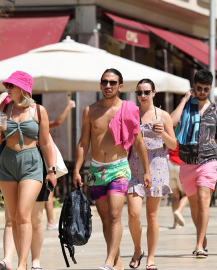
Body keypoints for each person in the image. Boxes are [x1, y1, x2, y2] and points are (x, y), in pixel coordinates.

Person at [73, 68, 152, 270]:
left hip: (119, 168)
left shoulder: (129, 109)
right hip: (97, 170)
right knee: (106, 220)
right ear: (101, 85)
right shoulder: (90, 110)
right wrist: (76, 169)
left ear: (120, 86)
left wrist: (147, 170)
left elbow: (139, 142)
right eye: (105, 82)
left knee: (116, 215)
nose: (108, 86)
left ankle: (107, 262)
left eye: (112, 83)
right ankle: (117, 264)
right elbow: (83, 143)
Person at [0, 91, 59, 270]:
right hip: (8, 162)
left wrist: (51, 170)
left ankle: (23, 264)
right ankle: (18, 262)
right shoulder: (4, 110)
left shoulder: (39, 111)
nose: (8, 88)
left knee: (23, 215)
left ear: (23, 88)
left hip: (32, 162)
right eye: (7, 85)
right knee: (13, 218)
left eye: (12, 85)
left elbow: (46, 142)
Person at [170, 69, 217, 258]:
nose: (202, 92)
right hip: (187, 162)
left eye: (206, 89)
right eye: (199, 88)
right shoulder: (186, 106)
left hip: (209, 161)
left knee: (204, 203)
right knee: (195, 207)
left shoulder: (216, 110)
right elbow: (171, 122)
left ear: (210, 88)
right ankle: (202, 238)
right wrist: (184, 99)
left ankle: (198, 245)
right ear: (193, 87)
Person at [127, 79, 177, 270]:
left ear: (154, 93)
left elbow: (173, 145)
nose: (143, 96)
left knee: (152, 216)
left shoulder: (163, 115)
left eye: (147, 92)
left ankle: (151, 257)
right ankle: (138, 249)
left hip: (157, 165)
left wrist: (163, 133)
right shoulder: (132, 114)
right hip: (134, 166)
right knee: (133, 213)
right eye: (139, 93)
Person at [45, 99, 75, 230]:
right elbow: (57, 122)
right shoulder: (37, 122)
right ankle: (51, 222)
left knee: (46, 192)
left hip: (44, 159)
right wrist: (68, 107)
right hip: (46, 160)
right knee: (48, 192)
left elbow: (57, 123)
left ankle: (50, 221)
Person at [169, 141, 188, 229]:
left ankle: (175, 223)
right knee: (186, 194)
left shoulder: (170, 133)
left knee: (175, 195)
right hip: (180, 164)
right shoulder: (185, 133)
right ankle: (179, 211)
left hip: (169, 164)